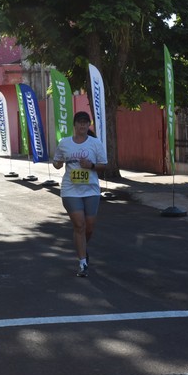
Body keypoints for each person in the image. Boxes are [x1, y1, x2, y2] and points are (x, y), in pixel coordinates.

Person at [53, 111, 107, 277]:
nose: (82, 125)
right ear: (74, 125)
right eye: (80, 122)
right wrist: (58, 162)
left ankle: (81, 246)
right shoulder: (64, 143)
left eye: (85, 123)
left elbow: (103, 165)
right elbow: (56, 163)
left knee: (89, 227)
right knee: (79, 225)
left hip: (91, 189)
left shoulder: (95, 143)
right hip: (70, 190)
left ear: (88, 125)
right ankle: (82, 263)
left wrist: (90, 165)